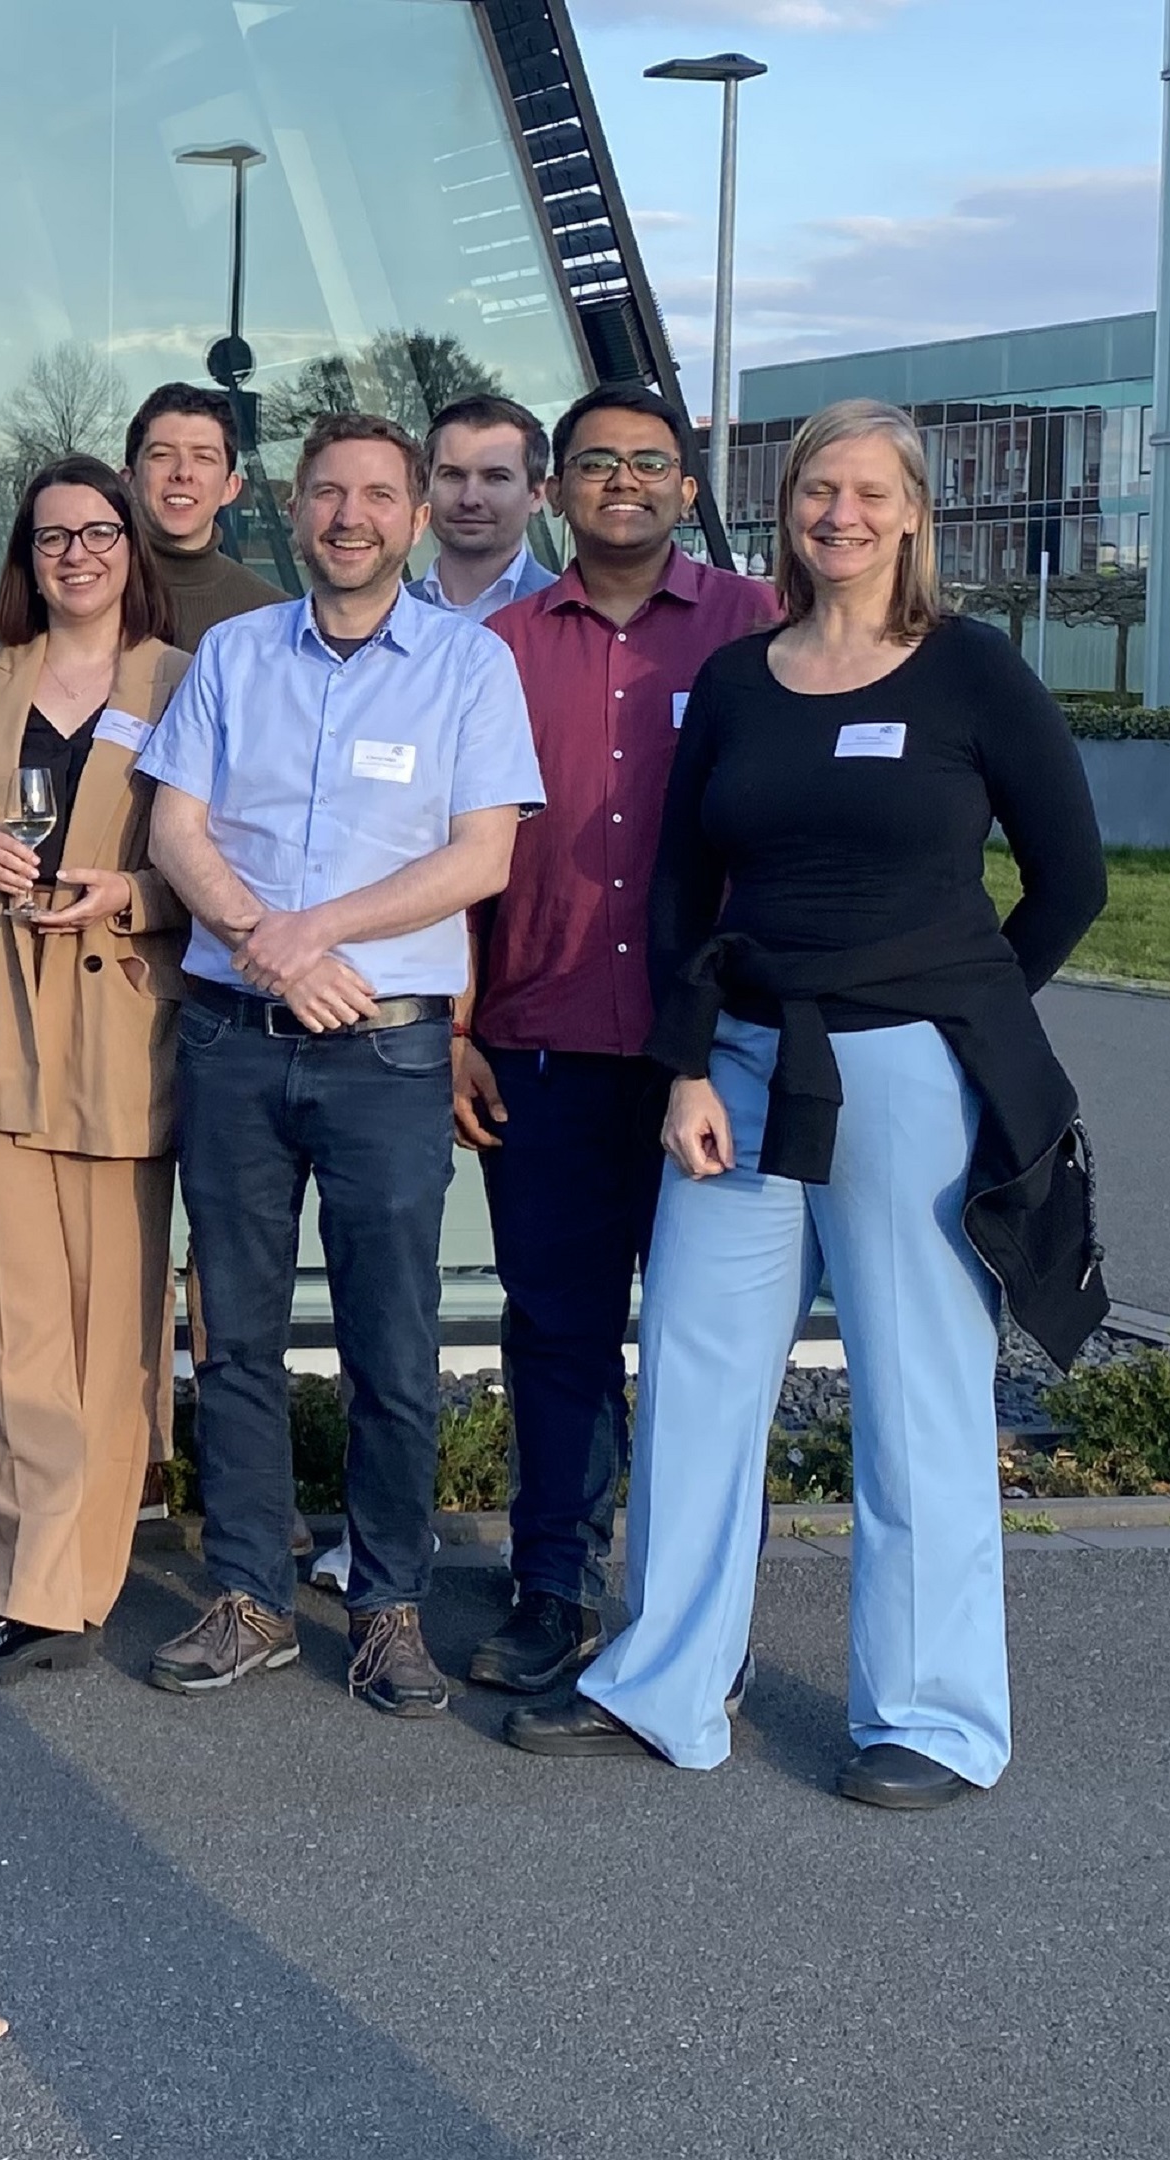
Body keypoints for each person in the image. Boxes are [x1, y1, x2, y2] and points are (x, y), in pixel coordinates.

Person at [510, 400, 1106, 1809]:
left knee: (917, 1391)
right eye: (815, 491)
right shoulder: (741, 678)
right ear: (787, 513)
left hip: (908, 1070)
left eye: (867, 491)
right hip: (741, 1062)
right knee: (696, 1374)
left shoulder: (973, 672)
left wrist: (961, 1008)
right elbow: (677, 890)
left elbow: (1071, 882)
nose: (840, 514)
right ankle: (664, 1685)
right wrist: (682, 1065)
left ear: (913, 513)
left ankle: (931, 1719)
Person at [136, 411, 542, 1716]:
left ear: (414, 517)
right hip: (234, 1042)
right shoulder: (235, 654)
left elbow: (482, 855)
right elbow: (175, 829)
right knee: (236, 1338)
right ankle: (249, 1594)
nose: (349, 517)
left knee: (391, 1343)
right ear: (294, 508)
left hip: (388, 1053)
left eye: (375, 496)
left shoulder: (470, 667)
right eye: (326, 493)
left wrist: (316, 932)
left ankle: (388, 1607)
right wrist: (269, 943)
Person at [448, 383, 780, 1695]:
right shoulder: (496, 649)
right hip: (545, 1039)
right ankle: (552, 1590)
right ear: (556, 489)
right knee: (557, 1332)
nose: (622, 482)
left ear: (687, 488)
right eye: (595, 463)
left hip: (724, 1049)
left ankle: (703, 1619)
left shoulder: (762, 627)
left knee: (713, 1349)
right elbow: (455, 854)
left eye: (649, 462)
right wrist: (459, 1023)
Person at [0, 455, 193, 1682]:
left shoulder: (186, 681)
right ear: (25, 556)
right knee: (0, 1326)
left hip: (120, 1027)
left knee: (108, 1330)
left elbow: (224, 866)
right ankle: (8, 1588)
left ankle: (72, 1580)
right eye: (52, 535)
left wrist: (134, 893)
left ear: (131, 547)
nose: (76, 553)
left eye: (97, 531)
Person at [128, 384, 287, 647]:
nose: (183, 472)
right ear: (128, 481)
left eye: (203, 457)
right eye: (162, 455)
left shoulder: (274, 621)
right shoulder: (80, 599)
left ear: (230, 488)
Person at [405, 394, 562, 623]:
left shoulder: (570, 620)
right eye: (453, 475)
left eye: (496, 477)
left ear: (536, 495)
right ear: (426, 486)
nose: (470, 499)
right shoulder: (382, 619)